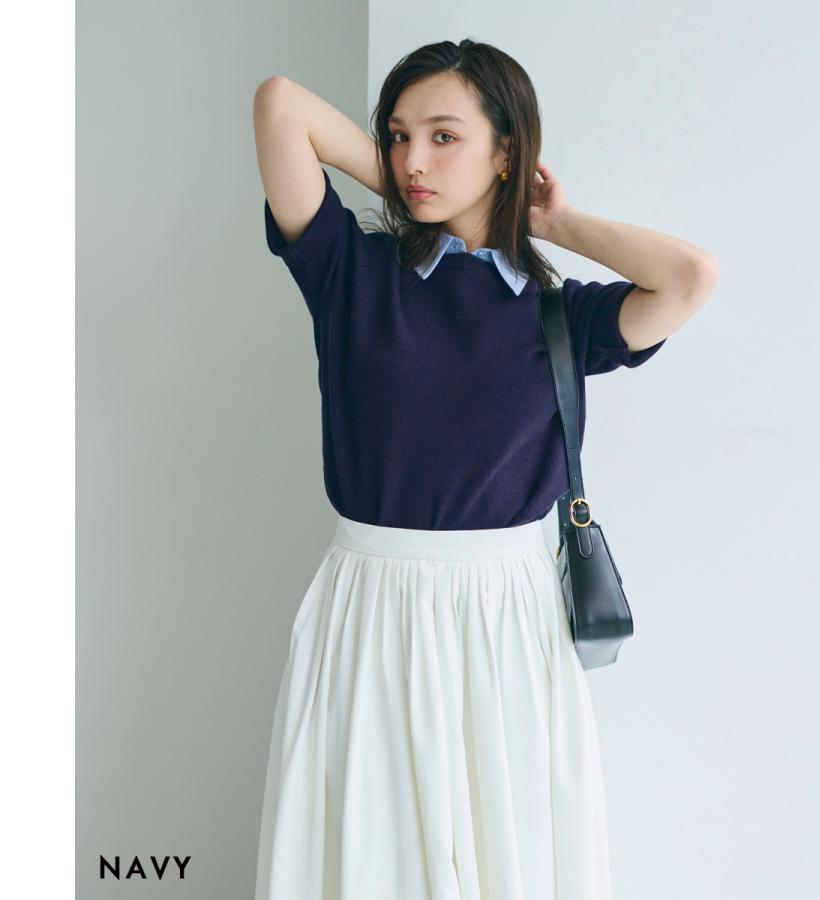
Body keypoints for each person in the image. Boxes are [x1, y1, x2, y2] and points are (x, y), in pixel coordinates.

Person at [251, 38, 718, 900]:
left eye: (444, 137)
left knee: (510, 859)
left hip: (507, 616)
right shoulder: (353, 272)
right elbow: (281, 105)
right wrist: (412, 191)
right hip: (372, 602)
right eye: (398, 137)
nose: (412, 160)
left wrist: (550, 221)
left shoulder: (556, 313)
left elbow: (691, 277)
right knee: (371, 859)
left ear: (508, 152)